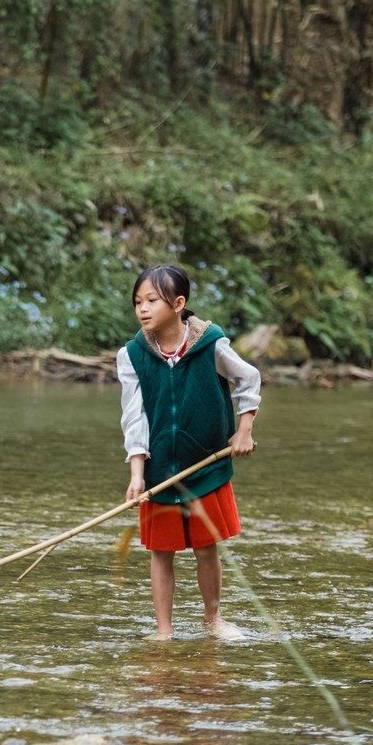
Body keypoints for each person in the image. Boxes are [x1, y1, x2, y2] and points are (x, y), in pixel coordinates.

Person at [117, 264, 261, 639]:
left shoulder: (210, 343)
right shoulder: (132, 355)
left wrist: (243, 430)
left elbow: (248, 378)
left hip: (205, 464)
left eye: (152, 300)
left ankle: (213, 621)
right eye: (137, 302)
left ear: (179, 304)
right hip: (159, 468)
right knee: (160, 552)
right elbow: (135, 419)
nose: (143, 309)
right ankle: (163, 630)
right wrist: (137, 474)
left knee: (205, 546)